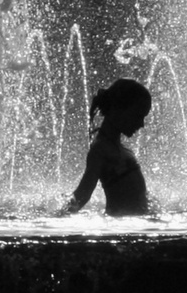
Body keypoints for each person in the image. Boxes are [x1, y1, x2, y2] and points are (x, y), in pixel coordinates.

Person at [63, 78, 151, 215]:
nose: (142, 124)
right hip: (123, 228)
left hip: (132, 225)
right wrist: (57, 218)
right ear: (118, 109)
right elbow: (82, 194)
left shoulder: (118, 148)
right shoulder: (100, 150)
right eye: (138, 115)